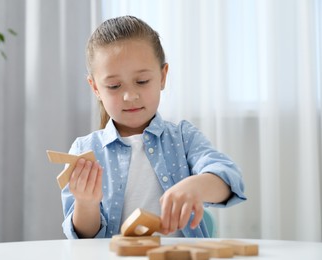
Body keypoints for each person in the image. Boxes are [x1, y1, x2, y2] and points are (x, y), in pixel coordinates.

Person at [62, 15, 246, 239]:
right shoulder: (84, 151)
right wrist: (86, 203)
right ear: (95, 88)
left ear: (162, 76)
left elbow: (229, 180)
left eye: (142, 81)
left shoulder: (182, 137)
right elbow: (83, 238)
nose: (130, 96)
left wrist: (197, 186)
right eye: (114, 86)